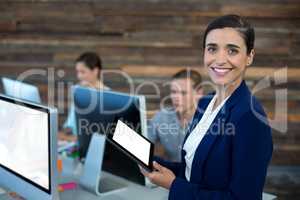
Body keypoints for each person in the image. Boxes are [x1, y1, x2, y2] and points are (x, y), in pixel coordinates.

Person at [141, 14, 273, 200]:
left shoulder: (250, 117)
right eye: (212, 49)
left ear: (249, 56)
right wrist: (154, 164)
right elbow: (195, 170)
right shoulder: (205, 103)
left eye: (232, 51)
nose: (219, 60)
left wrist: (173, 185)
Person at [147, 69, 203, 162]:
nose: (177, 98)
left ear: (199, 93)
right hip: (169, 173)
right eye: (174, 92)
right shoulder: (162, 116)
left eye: (183, 93)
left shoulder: (209, 121)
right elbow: (145, 141)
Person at [58, 52, 109, 141]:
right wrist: (60, 134)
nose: (79, 76)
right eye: (78, 72)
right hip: (72, 142)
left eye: (83, 72)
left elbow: (101, 133)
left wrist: (68, 138)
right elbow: (70, 124)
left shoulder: (108, 95)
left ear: (95, 71)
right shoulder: (78, 90)